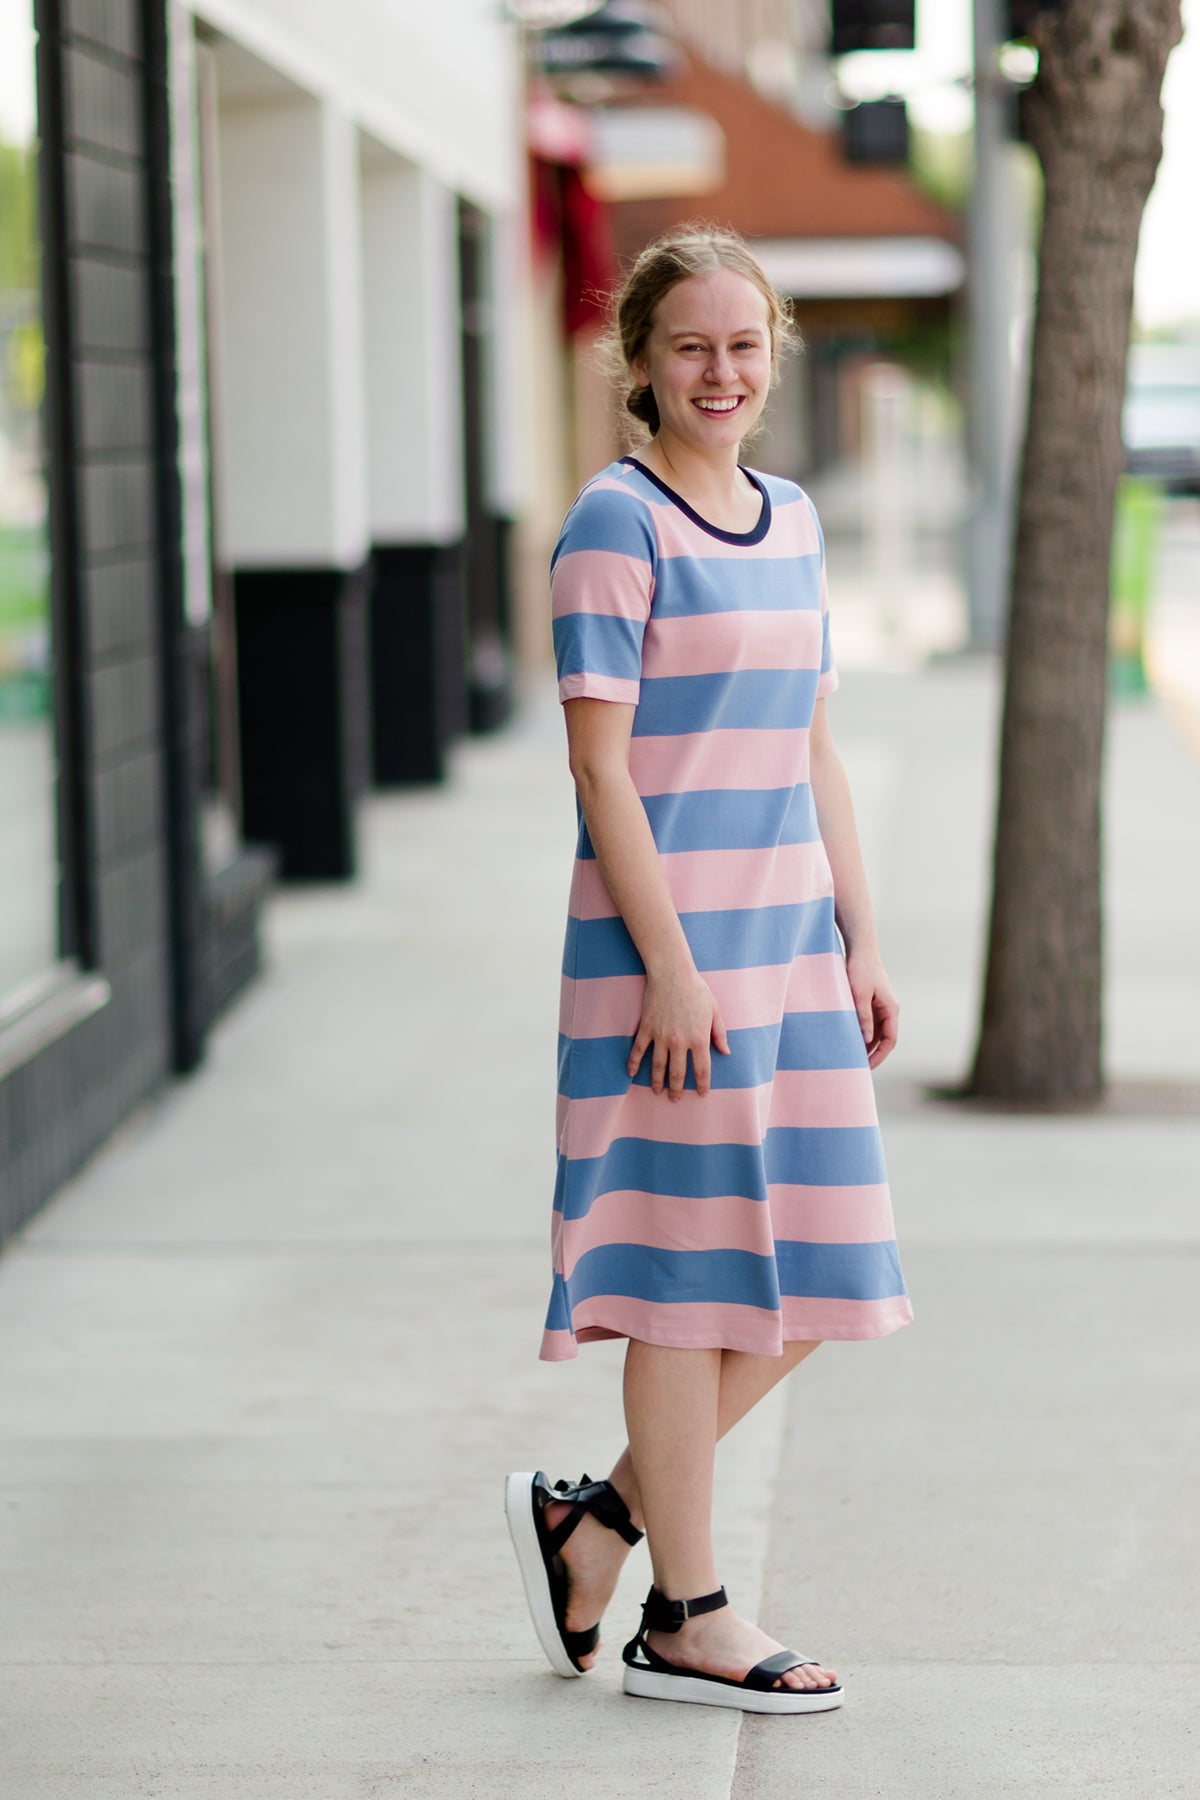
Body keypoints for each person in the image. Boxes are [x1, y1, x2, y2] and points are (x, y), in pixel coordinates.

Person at [505, 225, 912, 1716]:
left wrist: (858, 935)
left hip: (790, 952)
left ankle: (595, 1523)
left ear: (775, 351)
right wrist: (671, 971)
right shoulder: (614, 527)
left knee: (819, 1274)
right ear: (642, 365)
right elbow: (600, 772)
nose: (721, 372)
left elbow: (812, 741)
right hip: (666, 963)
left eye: (744, 345)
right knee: (690, 1293)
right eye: (691, 347)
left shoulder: (791, 518)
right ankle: (689, 1610)